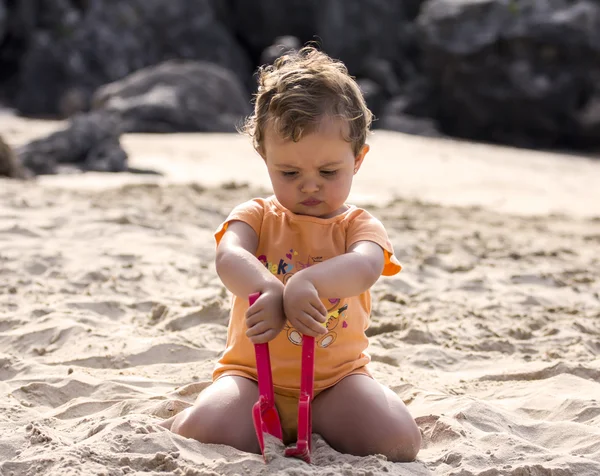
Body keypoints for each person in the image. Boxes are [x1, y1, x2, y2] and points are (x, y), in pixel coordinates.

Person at [161, 46, 421, 462]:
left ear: (358, 159)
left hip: (333, 385)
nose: (310, 186)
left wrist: (306, 282)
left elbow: (367, 267)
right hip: (252, 378)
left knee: (400, 442)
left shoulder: (358, 226)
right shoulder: (257, 215)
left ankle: (314, 424)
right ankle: (209, 417)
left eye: (328, 172)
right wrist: (267, 285)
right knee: (202, 432)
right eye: (290, 173)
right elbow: (229, 256)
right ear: (265, 157)